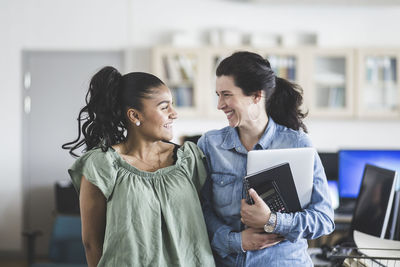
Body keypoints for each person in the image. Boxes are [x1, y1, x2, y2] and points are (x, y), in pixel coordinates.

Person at [62, 66, 215, 267]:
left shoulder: (189, 159)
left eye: (172, 105)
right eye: (164, 107)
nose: (174, 113)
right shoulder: (102, 165)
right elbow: (91, 242)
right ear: (135, 116)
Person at [197, 51, 335, 266]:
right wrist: (237, 241)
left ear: (256, 96)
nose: (220, 104)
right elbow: (199, 211)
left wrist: (273, 221)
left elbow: (323, 219)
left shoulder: (298, 144)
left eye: (227, 94)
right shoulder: (210, 145)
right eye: (218, 95)